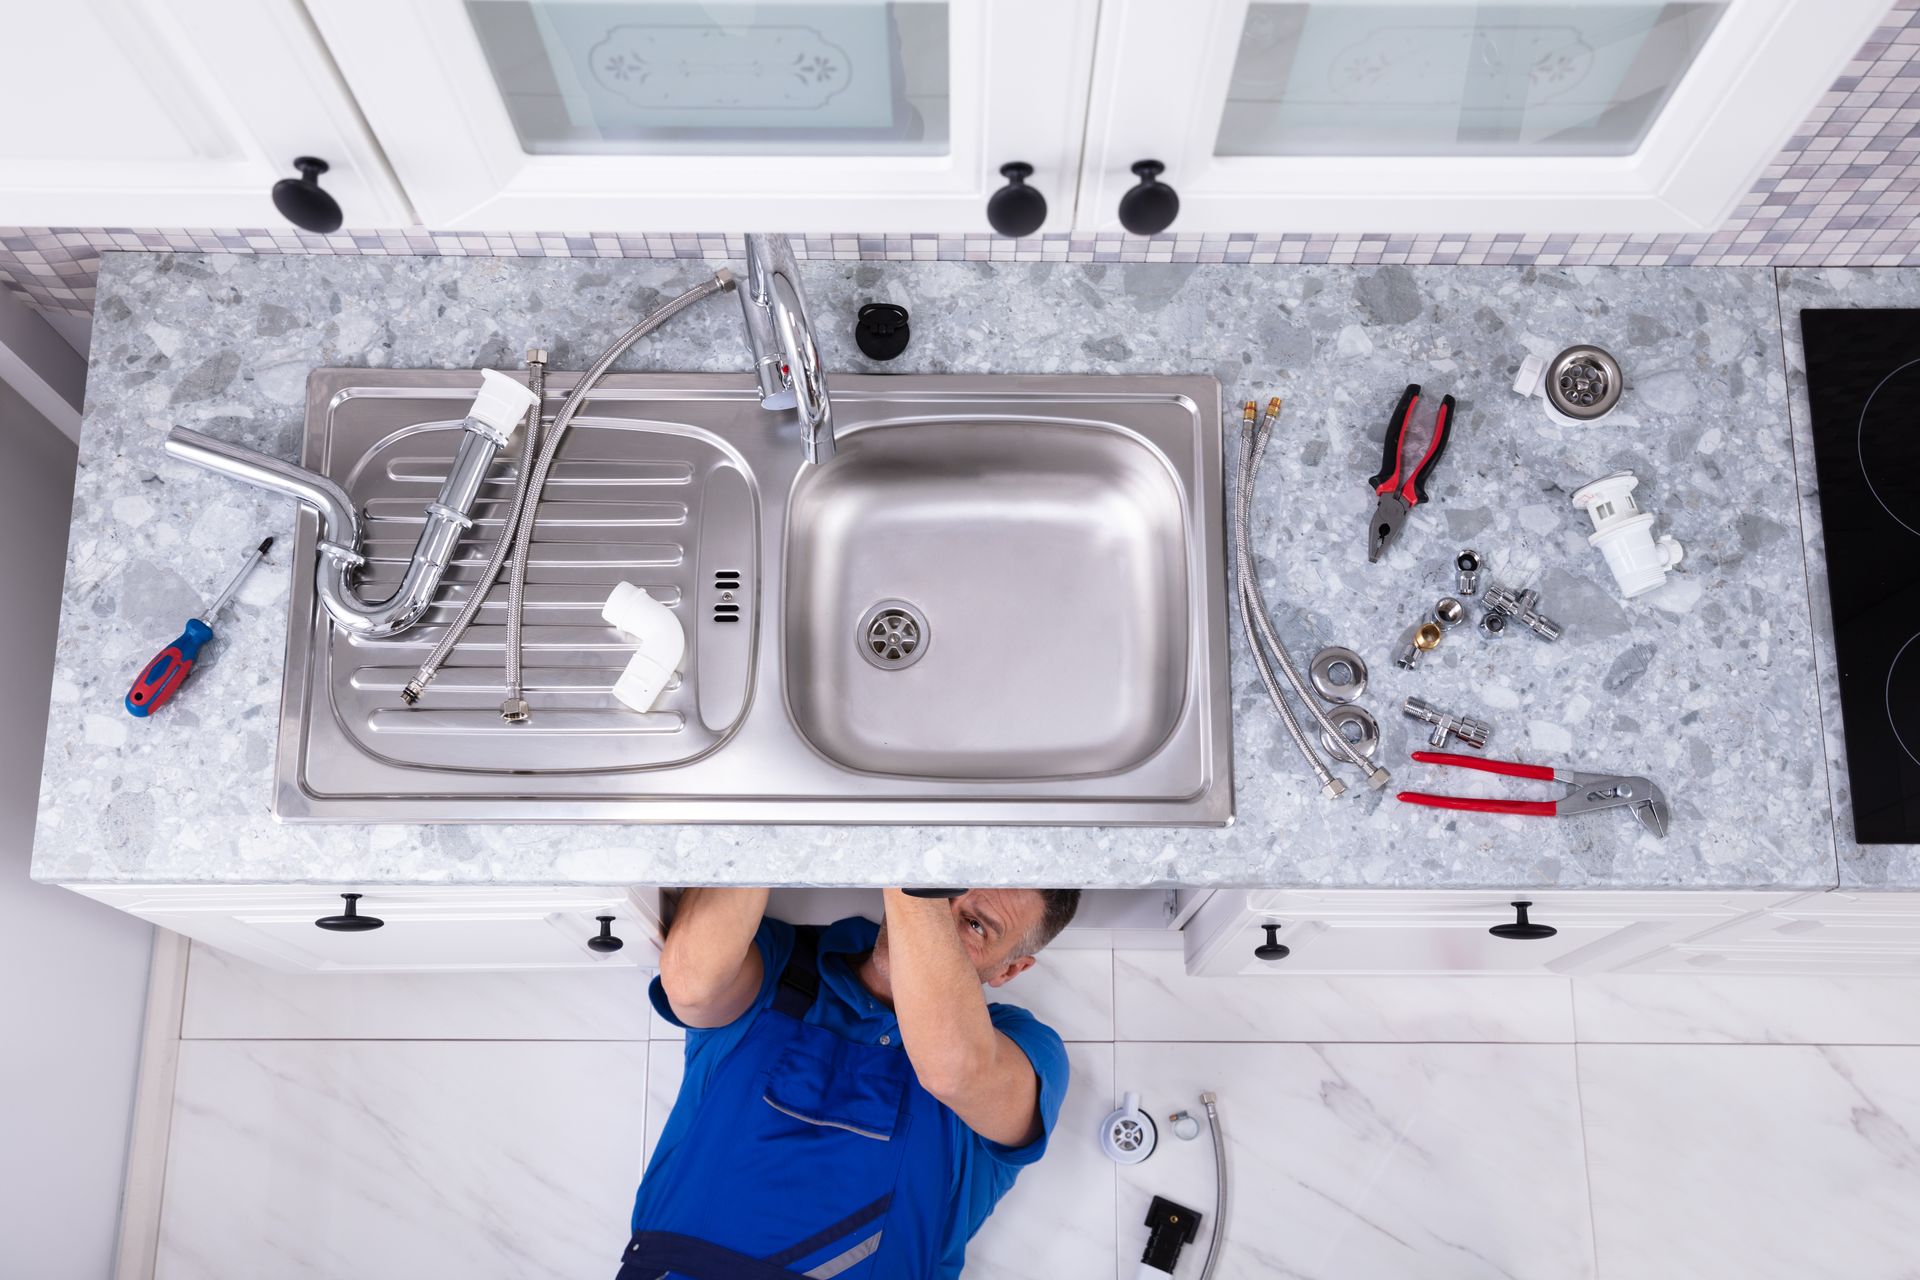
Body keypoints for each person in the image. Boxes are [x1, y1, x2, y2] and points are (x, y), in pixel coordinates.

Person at [619, 886, 1082, 1280]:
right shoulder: (781, 963)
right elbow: (691, 986)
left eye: (975, 926)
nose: (934, 921)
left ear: (1008, 970)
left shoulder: (1022, 1049)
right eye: (945, 891)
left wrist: (918, 862)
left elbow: (955, 1069)